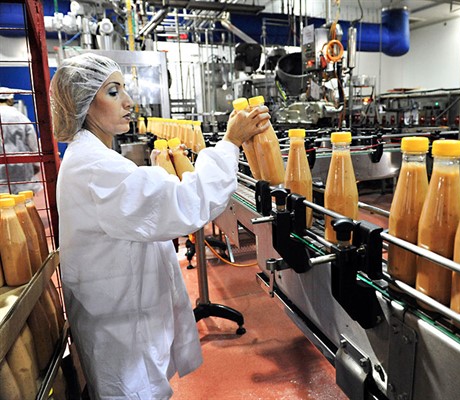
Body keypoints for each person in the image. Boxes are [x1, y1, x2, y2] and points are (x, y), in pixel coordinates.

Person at [49, 53, 271, 399]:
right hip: (120, 331)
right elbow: (185, 204)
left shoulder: (91, 159)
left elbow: (140, 203)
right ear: (84, 103)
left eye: (124, 90)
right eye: (113, 92)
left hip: (119, 316)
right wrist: (230, 143)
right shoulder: (94, 168)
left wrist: (154, 174)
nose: (128, 102)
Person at [0, 87, 43, 193]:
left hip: (1, 172)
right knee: (24, 200)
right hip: (22, 169)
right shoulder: (20, 117)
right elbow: (32, 143)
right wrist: (36, 164)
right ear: (10, 99)